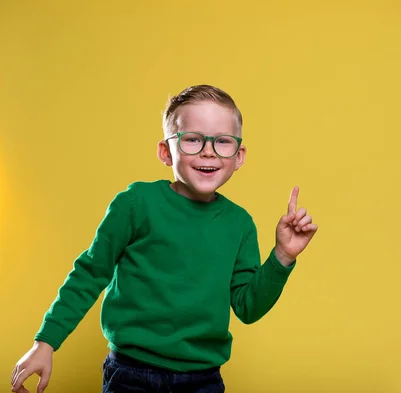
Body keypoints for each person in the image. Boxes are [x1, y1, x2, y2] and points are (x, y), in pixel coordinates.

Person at [10, 84, 318, 393]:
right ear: (165, 151)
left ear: (239, 156)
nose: (208, 150)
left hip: (203, 379)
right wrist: (45, 342)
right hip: (131, 373)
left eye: (222, 142)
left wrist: (283, 256)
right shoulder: (135, 203)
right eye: (192, 140)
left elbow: (248, 308)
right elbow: (89, 274)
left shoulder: (239, 224)